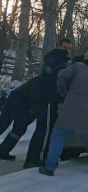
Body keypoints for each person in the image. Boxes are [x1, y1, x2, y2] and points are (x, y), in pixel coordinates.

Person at [39, 50, 88, 176]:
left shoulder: (78, 67)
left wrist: (62, 91)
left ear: (87, 58)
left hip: (71, 106)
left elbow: (61, 76)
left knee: (58, 137)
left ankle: (49, 167)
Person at [23, 37, 73, 169]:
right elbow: (52, 82)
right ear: (59, 47)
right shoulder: (56, 59)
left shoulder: (58, 59)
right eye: (65, 48)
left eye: (69, 49)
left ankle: (36, 157)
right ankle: (37, 158)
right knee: (45, 130)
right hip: (49, 100)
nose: (67, 51)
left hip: (48, 99)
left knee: (44, 129)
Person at [0, 77, 42, 160]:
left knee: (17, 128)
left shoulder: (47, 77)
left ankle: (3, 151)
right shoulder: (51, 80)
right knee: (6, 125)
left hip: (20, 98)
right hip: (22, 100)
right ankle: (3, 151)